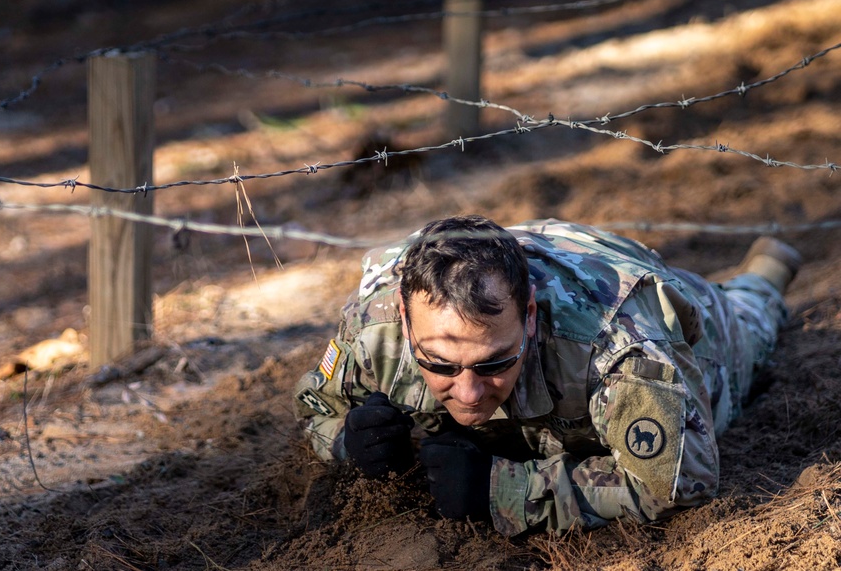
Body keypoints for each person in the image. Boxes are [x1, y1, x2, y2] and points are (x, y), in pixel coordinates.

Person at [293, 215, 800, 536]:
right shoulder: (374, 326)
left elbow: (678, 480)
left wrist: (502, 490)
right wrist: (347, 442)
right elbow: (317, 405)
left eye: (493, 362)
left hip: (680, 321)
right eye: (440, 365)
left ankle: (765, 274)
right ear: (405, 321)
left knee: (751, 322)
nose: (468, 392)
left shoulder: (620, 346)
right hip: (533, 265)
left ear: (530, 316)